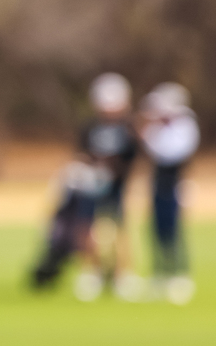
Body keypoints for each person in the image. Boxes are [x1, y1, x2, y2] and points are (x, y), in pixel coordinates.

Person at [72, 73, 143, 301]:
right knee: (87, 228)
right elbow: (81, 153)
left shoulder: (129, 128)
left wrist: (114, 169)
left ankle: (123, 274)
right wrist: (93, 167)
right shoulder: (90, 126)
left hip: (117, 185)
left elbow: (133, 156)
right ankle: (93, 272)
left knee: (119, 229)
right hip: (92, 184)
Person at [138, 82, 199, 305]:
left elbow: (174, 153)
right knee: (156, 227)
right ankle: (160, 272)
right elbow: (151, 151)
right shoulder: (156, 127)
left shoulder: (185, 125)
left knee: (174, 227)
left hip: (176, 182)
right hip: (157, 182)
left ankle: (179, 272)